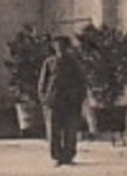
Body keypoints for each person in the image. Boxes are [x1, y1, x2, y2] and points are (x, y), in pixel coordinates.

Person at [38, 35, 89, 166]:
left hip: (70, 102)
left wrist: (79, 98)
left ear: (67, 47)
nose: (59, 49)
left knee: (70, 130)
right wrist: (44, 98)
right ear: (54, 47)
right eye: (57, 46)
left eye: (62, 46)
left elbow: (82, 82)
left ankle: (68, 156)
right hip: (53, 101)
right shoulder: (49, 62)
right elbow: (42, 82)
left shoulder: (74, 63)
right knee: (53, 130)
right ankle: (57, 156)